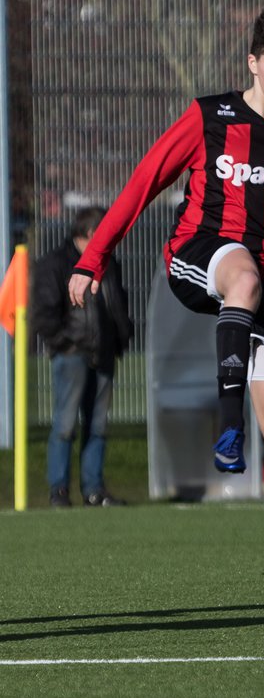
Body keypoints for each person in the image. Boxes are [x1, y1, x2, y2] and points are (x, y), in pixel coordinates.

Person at [69, 6, 264, 600]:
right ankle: (228, 431)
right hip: (198, 252)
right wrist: (93, 257)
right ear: (252, 61)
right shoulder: (209, 117)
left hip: (263, 280)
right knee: (243, 278)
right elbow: (144, 183)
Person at [30, 206, 134, 507]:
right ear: (90, 234)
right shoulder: (55, 264)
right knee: (65, 425)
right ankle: (58, 491)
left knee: (98, 425)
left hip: (102, 354)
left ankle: (93, 490)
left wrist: (119, 338)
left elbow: (116, 302)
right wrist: (64, 343)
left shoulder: (108, 263)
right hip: (72, 354)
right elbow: (44, 312)